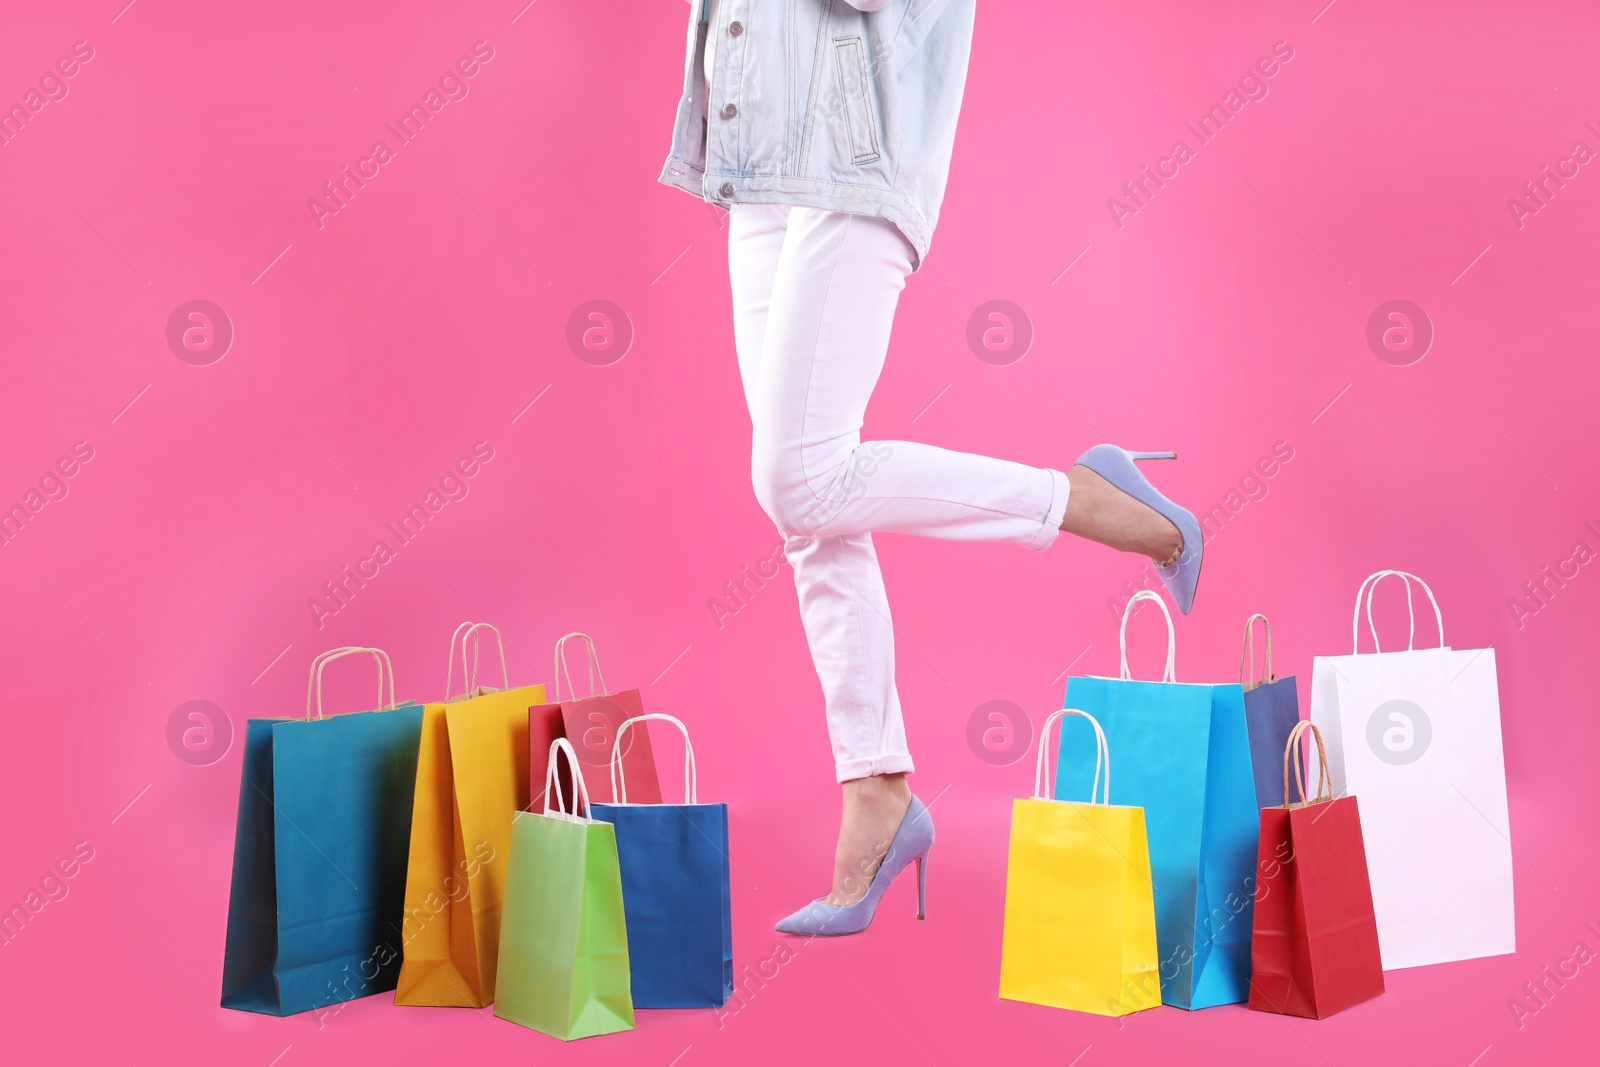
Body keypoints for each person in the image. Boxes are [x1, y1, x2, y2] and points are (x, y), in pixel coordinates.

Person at [659, 0, 1202, 936]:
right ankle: (875, 786)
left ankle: (1084, 499)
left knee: (799, 474)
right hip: (755, 149)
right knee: (807, 505)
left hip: (850, 147)